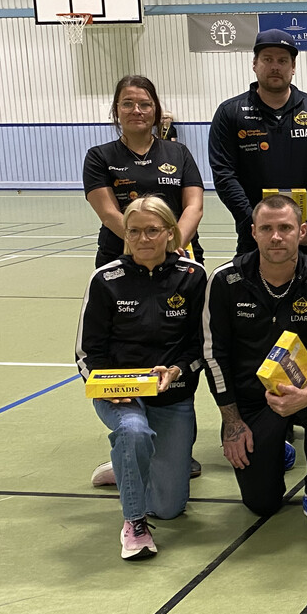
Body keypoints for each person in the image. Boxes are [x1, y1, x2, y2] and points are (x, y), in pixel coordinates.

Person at [202, 194, 307, 533]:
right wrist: (232, 422)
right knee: (262, 504)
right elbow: (213, 355)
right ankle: (277, 449)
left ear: (301, 232)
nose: (276, 237)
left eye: (285, 228)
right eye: (267, 228)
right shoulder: (225, 280)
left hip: (306, 389)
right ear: (253, 232)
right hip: (253, 399)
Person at [75, 197, 206, 560]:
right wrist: (108, 387)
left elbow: (202, 345)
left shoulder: (193, 276)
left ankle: (127, 464)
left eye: (152, 230)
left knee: (169, 507)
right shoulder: (106, 279)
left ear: (170, 233)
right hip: (120, 395)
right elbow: (87, 352)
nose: (143, 239)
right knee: (133, 430)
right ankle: (134, 524)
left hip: (172, 394)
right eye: (134, 231)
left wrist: (178, 369)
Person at [209, 29, 307, 268]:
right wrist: (255, 224)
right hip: (254, 236)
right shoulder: (230, 113)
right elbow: (224, 175)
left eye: (282, 61)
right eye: (267, 59)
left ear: (293, 66)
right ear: (254, 64)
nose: (275, 67)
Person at [84, 75, 204, 268]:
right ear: (116, 110)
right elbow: (108, 213)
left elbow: (194, 207)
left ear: (155, 110)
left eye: (145, 104)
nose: (136, 110)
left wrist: (172, 245)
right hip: (121, 255)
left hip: (177, 253)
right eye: (127, 104)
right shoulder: (99, 156)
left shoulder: (179, 152)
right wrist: (144, 246)